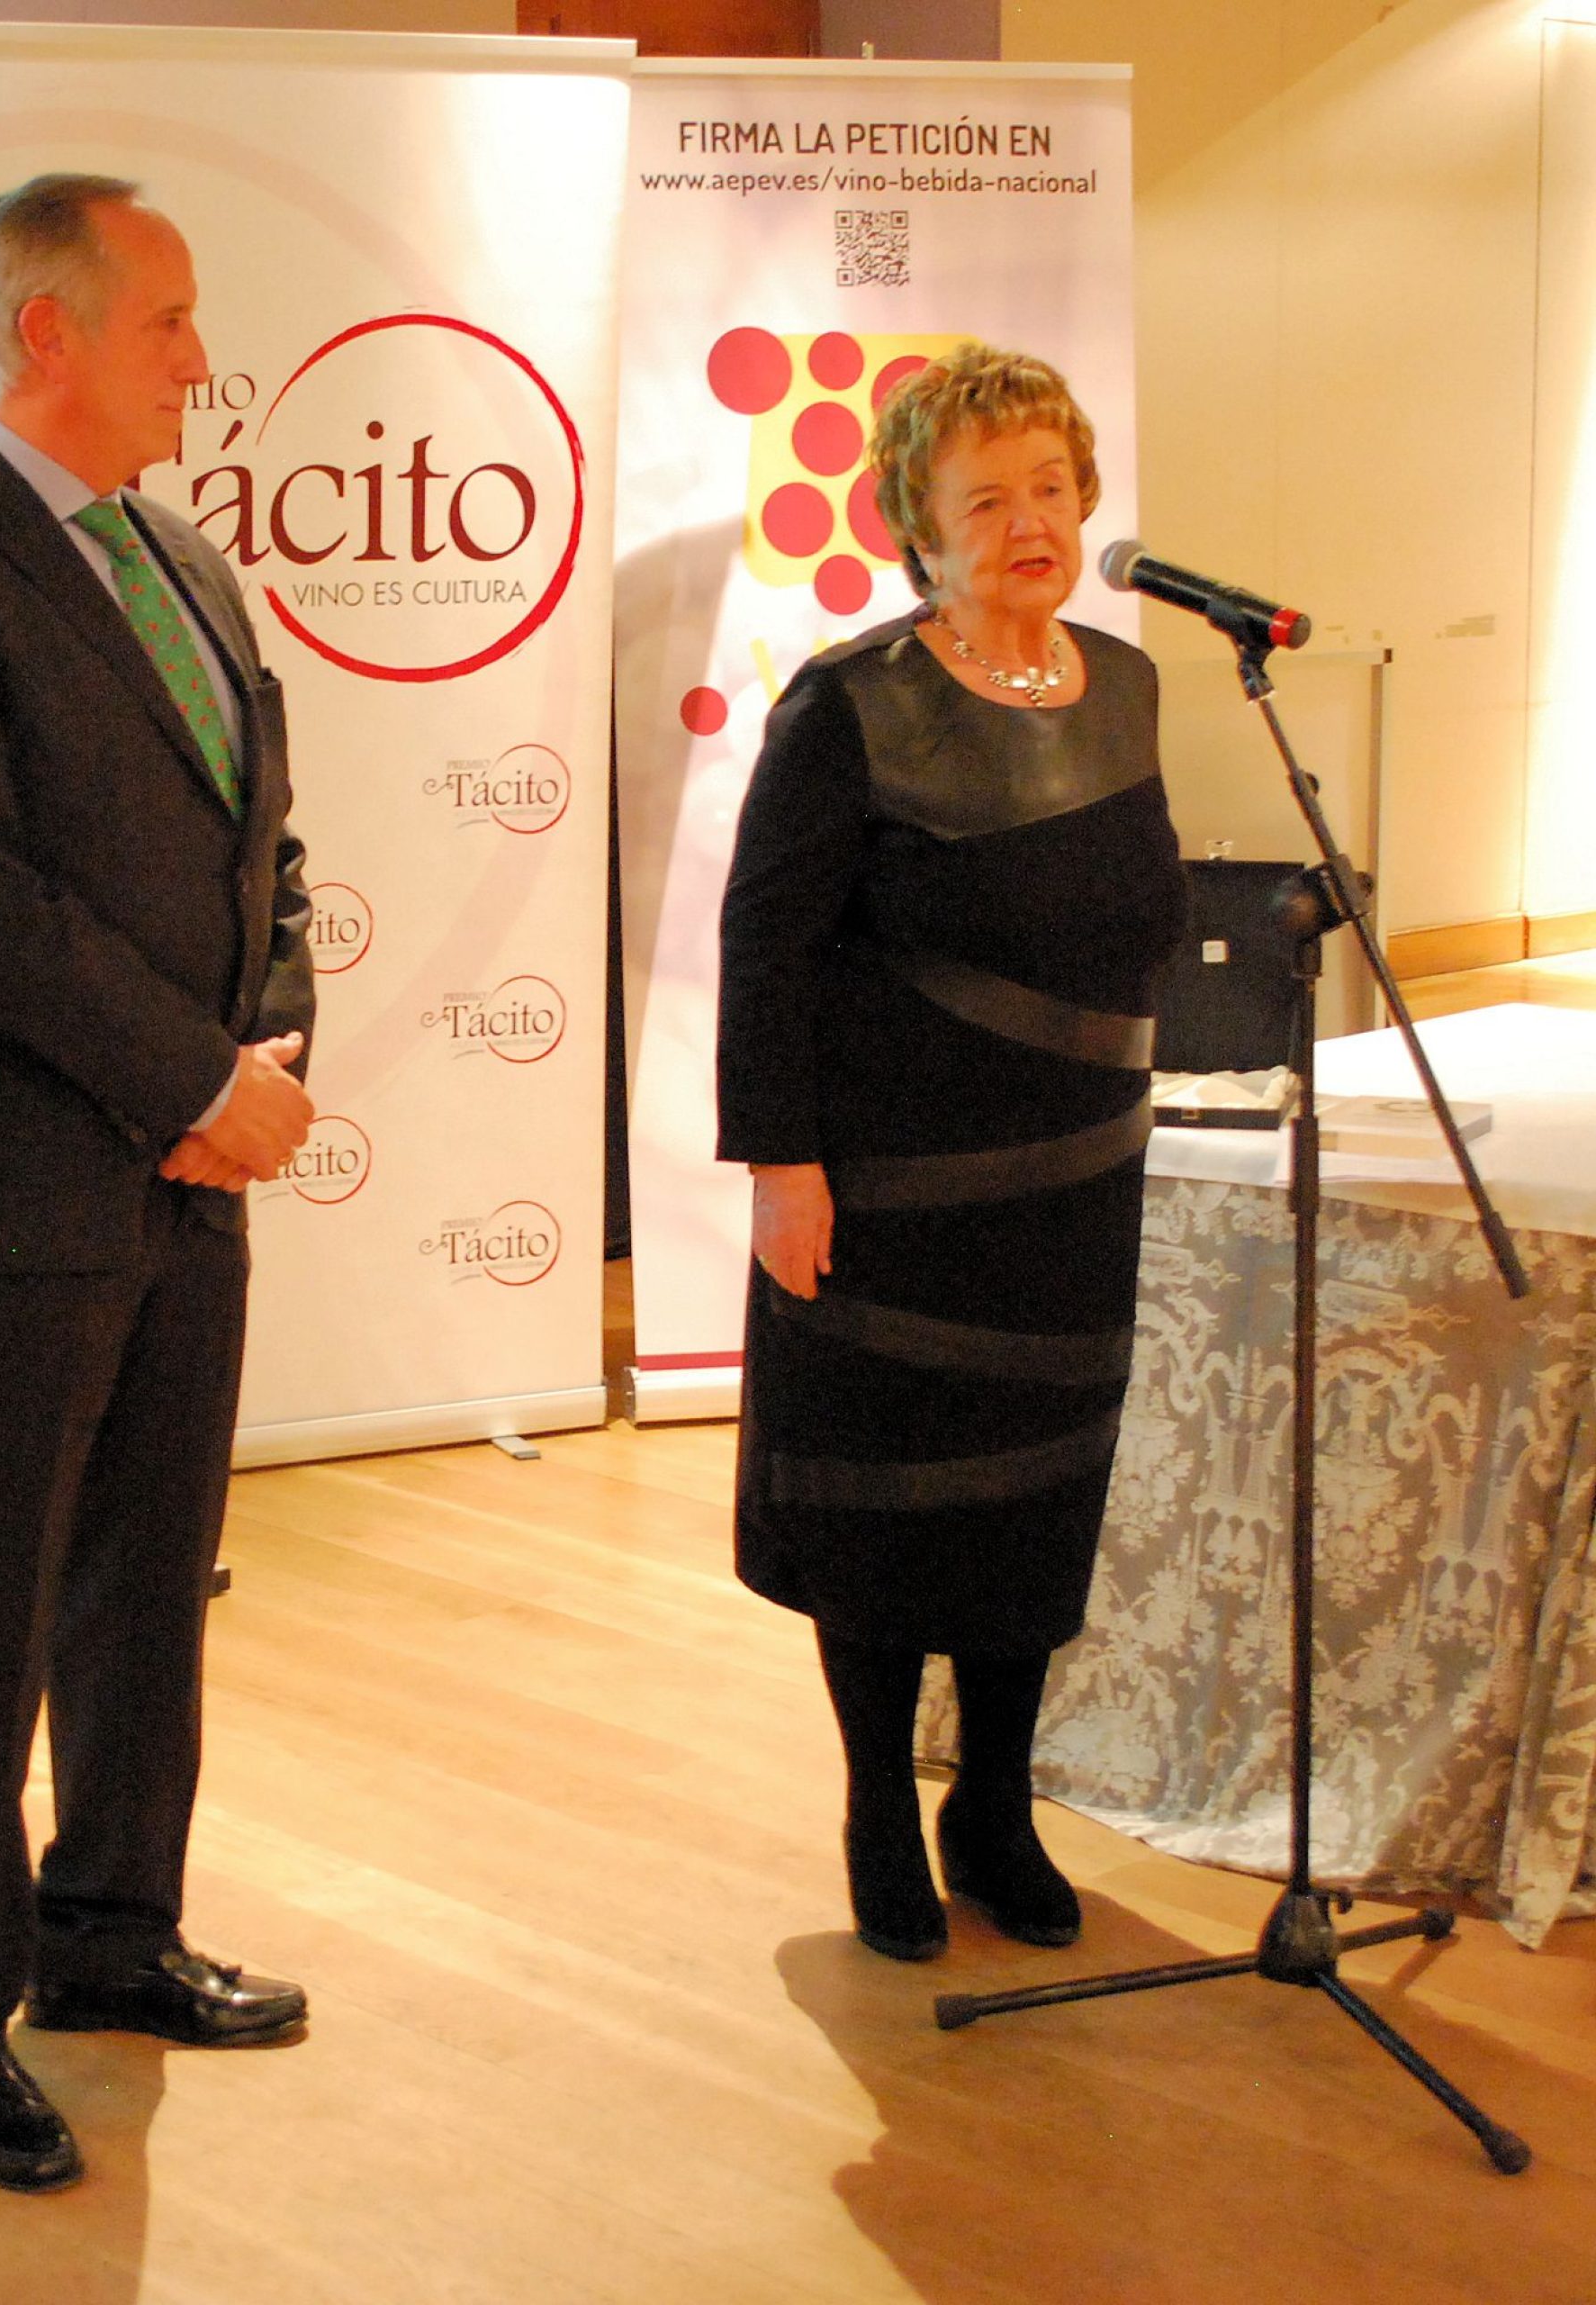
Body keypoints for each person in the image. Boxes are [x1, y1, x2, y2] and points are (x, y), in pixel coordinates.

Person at [0, 174, 316, 2192]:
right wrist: (189, 1078)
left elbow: (264, 845)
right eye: (168, 320)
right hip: (9, 1182)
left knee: (148, 1584)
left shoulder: (178, 553)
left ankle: (108, 1933)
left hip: (191, 1172)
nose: (200, 359)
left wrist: (264, 1053)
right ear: (48, 332)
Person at [716, 344, 1186, 1964]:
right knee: (889, 1510)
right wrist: (781, 1165)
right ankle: (875, 1806)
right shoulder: (851, 705)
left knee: (1033, 1506)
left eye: (1051, 487)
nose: (1030, 522)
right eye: (986, 500)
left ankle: (992, 1807)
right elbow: (765, 949)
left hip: (1073, 1185)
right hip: (894, 1196)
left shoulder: (1126, 684)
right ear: (918, 527)